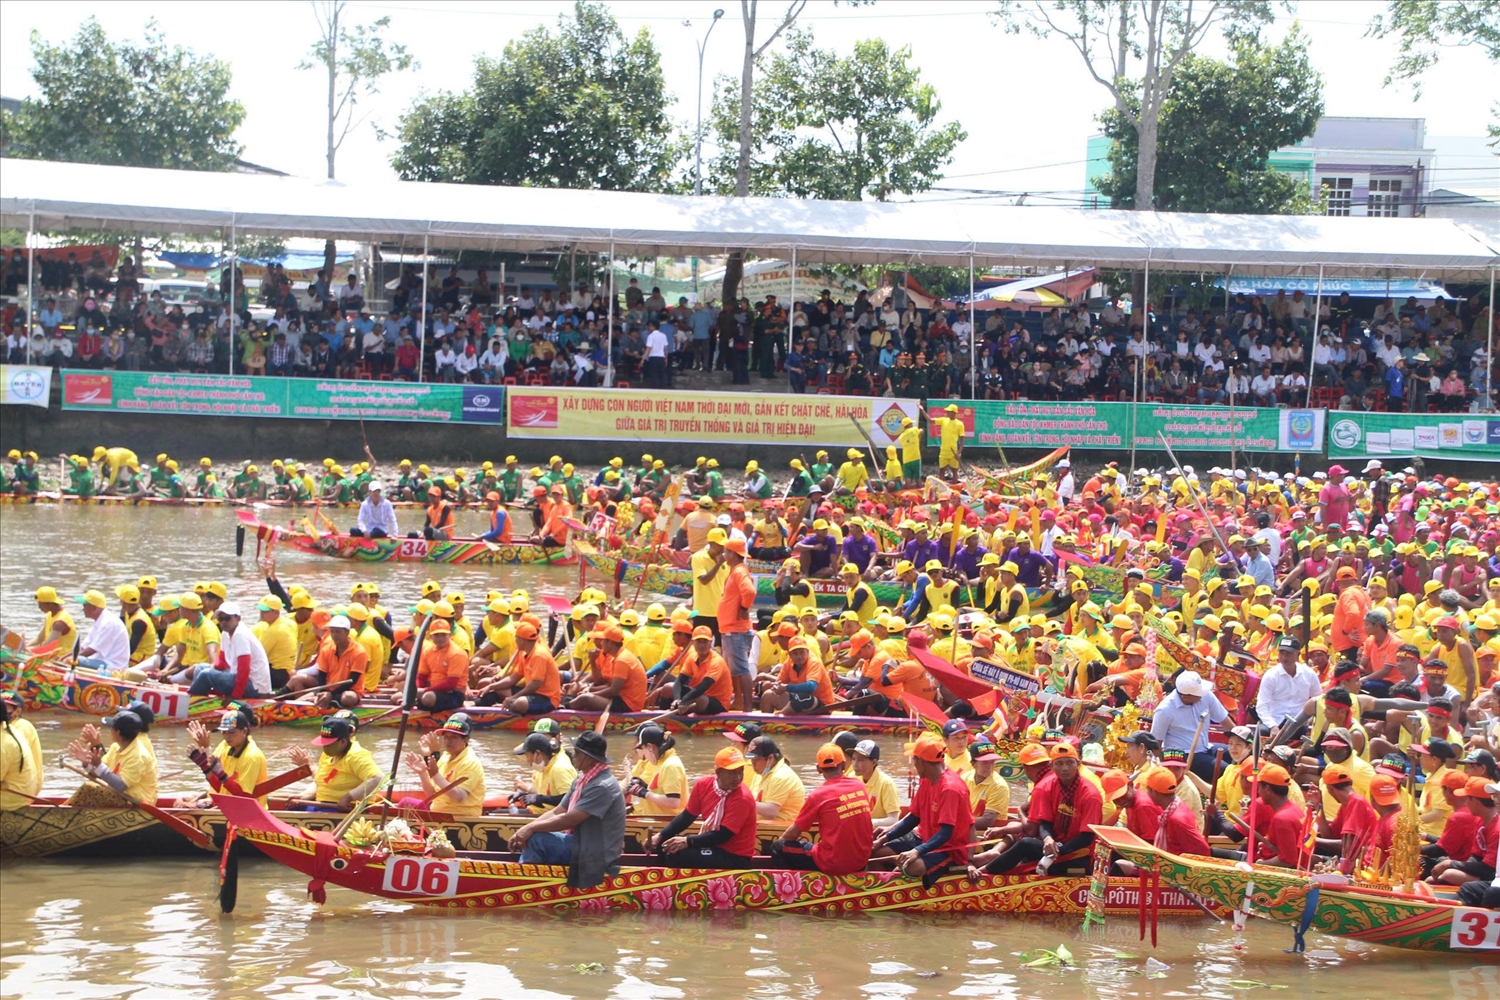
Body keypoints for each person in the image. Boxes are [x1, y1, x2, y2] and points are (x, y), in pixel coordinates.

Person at [508, 731, 626, 888]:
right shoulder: (581, 779)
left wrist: (531, 829)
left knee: (536, 840)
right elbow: (558, 811)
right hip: (582, 842)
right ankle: (536, 880)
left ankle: (523, 886)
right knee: (532, 834)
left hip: (596, 852)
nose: (573, 756)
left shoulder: (602, 786)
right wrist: (524, 829)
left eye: (577, 753)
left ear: (589, 758)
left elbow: (569, 819)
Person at [968, 743, 1102, 877]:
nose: (1065, 768)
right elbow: (1045, 822)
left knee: (1025, 843)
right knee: (1023, 841)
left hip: (1077, 854)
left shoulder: (1090, 795)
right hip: (1053, 846)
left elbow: (1086, 837)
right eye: (1059, 763)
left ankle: (982, 873)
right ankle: (986, 866)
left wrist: (1056, 852)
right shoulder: (1049, 786)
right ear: (1051, 766)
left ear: (1078, 764)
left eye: (1070, 763)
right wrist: (1048, 839)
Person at [872, 732, 972, 882]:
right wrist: (885, 837)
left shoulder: (950, 788)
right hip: (925, 839)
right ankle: (882, 885)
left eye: (914, 760)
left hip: (949, 850)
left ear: (921, 762)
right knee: (875, 851)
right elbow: (914, 817)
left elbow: (946, 833)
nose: (913, 764)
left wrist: (916, 851)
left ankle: (896, 881)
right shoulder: (927, 779)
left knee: (913, 866)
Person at [648, 746, 759, 868]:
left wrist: (688, 841)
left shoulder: (743, 798)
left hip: (735, 857)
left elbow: (723, 835)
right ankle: (658, 878)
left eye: (740, 772)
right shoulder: (703, 785)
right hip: (714, 847)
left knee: (677, 855)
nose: (737, 778)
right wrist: (660, 836)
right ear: (718, 772)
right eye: (732, 773)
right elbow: (687, 816)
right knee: (664, 845)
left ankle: (672, 884)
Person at [771, 743, 874, 874]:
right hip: (861, 861)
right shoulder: (860, 786)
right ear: (843, 765)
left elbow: (792, 834)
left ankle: (789, 889)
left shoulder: (817, 795)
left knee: (778, 847)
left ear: (819, 769)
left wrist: (780, 842)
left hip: (833, 863)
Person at [285, 716, 382, 811]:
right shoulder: (328, 755)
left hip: (345, 809)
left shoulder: (356, 755)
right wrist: (304, 795)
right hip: (323, 804)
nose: (324, 747)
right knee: (292, 807)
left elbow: (377, 778)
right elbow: (320, 782)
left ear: (343, 742)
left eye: (328, 744)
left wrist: (348, 798)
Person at [66, 709, 158, 804]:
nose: (110, 731)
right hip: (121, 796)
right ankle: (63, 809)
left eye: (111, 728)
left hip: (137, 802)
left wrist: (99, 765)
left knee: (89, 787)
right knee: (92, 786)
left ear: (117, 732)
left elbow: (121, 785)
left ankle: (61, 813)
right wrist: (86, 764)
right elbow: (100, 774)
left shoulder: (139, 756)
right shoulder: (116, 747)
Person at [402, 714, 485, 817]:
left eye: (454, 737)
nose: (447, 741)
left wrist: (435, 775)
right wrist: (422, 773)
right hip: (438, 813)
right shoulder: (446, 756)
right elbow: (432, 794)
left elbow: (459, 797)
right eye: (446, 736)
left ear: (465, 740)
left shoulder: (470, 762)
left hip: (459, 817)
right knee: (405, 803)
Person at [186, 706, 269, 805]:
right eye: (224, 732)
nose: (227, 736)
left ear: (244, 731)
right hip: (228, 808)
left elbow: (244, 799)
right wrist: (205, 767)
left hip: (249, 813)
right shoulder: (227, 746)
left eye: (232, 732)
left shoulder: (251, 757)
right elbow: (220, 788)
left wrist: (222, 775)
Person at [189, 602, 272, 700]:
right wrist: (213, 667)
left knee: (206, 674)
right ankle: (197, 698)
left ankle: (190, 703)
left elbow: (244, 670)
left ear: (238, 618)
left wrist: (235, 697)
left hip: (255, 687)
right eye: (220, 619)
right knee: (200, 668)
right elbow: (222, 662)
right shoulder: (225, 633)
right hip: (238, 677)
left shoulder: (240, 635)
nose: (224, 622)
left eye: (228, 618)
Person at [747, 736, 807, 821]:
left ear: (770, 758)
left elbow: (771, 811)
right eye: (751, 760)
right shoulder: (759, 773)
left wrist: (744, 802)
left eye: (756, 760)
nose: (753, 764)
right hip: (761, 826)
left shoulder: (781, 776)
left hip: (780, 829)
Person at [73, 589, 129, 673]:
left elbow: (92, 650)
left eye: (85, 606)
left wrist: (72, 658)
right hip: (101, 661)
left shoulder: (108, 623)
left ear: (94, 608)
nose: (83, 609)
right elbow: (84, 646)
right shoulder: (99, 621)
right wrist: (67, 655)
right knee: (72, 658)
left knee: (77, 660)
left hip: (114, 666)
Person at [1, 694, 40, 809]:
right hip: (21, 789)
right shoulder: (9, 728)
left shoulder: (19, 729)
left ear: (18, 711)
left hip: (14, 799)